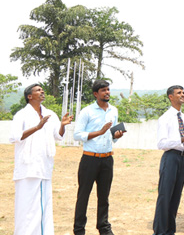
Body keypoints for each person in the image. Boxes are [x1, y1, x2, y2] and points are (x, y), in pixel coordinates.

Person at [9, 83, 72, 235]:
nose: (42, 91)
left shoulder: (50, 114)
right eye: (38, 90)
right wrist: (37, 127)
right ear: (29, 96)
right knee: (26, 207)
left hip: (44, 167)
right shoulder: (21, 115)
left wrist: (62, 125)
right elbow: (15, 137)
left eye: (42, 89)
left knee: (43, 207)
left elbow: (58, 136)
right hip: (27, 168)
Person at [73, 79, 125, 235]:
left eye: (108, 89)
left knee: (104, 196)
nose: (107, 92)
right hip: (90, 159)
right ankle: (79, 229)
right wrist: (99, 132)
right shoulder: (87, 111)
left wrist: (116, 135)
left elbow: (112, 136)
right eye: (103, 90)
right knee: (84, 195)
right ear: (96, 94)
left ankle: (103, 227)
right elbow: (77, 135)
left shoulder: (113, 111)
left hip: (107, 159)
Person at [153, 85, 184, 235]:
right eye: (179, 93)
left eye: (183, 92)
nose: (182, 95)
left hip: (182, 159)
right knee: (165, 196)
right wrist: (182, 139)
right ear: (170, 97)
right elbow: (161, 143)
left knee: (176, 197)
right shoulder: (165, 118)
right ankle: (159, 231)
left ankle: (170, 231)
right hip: (170, 158)